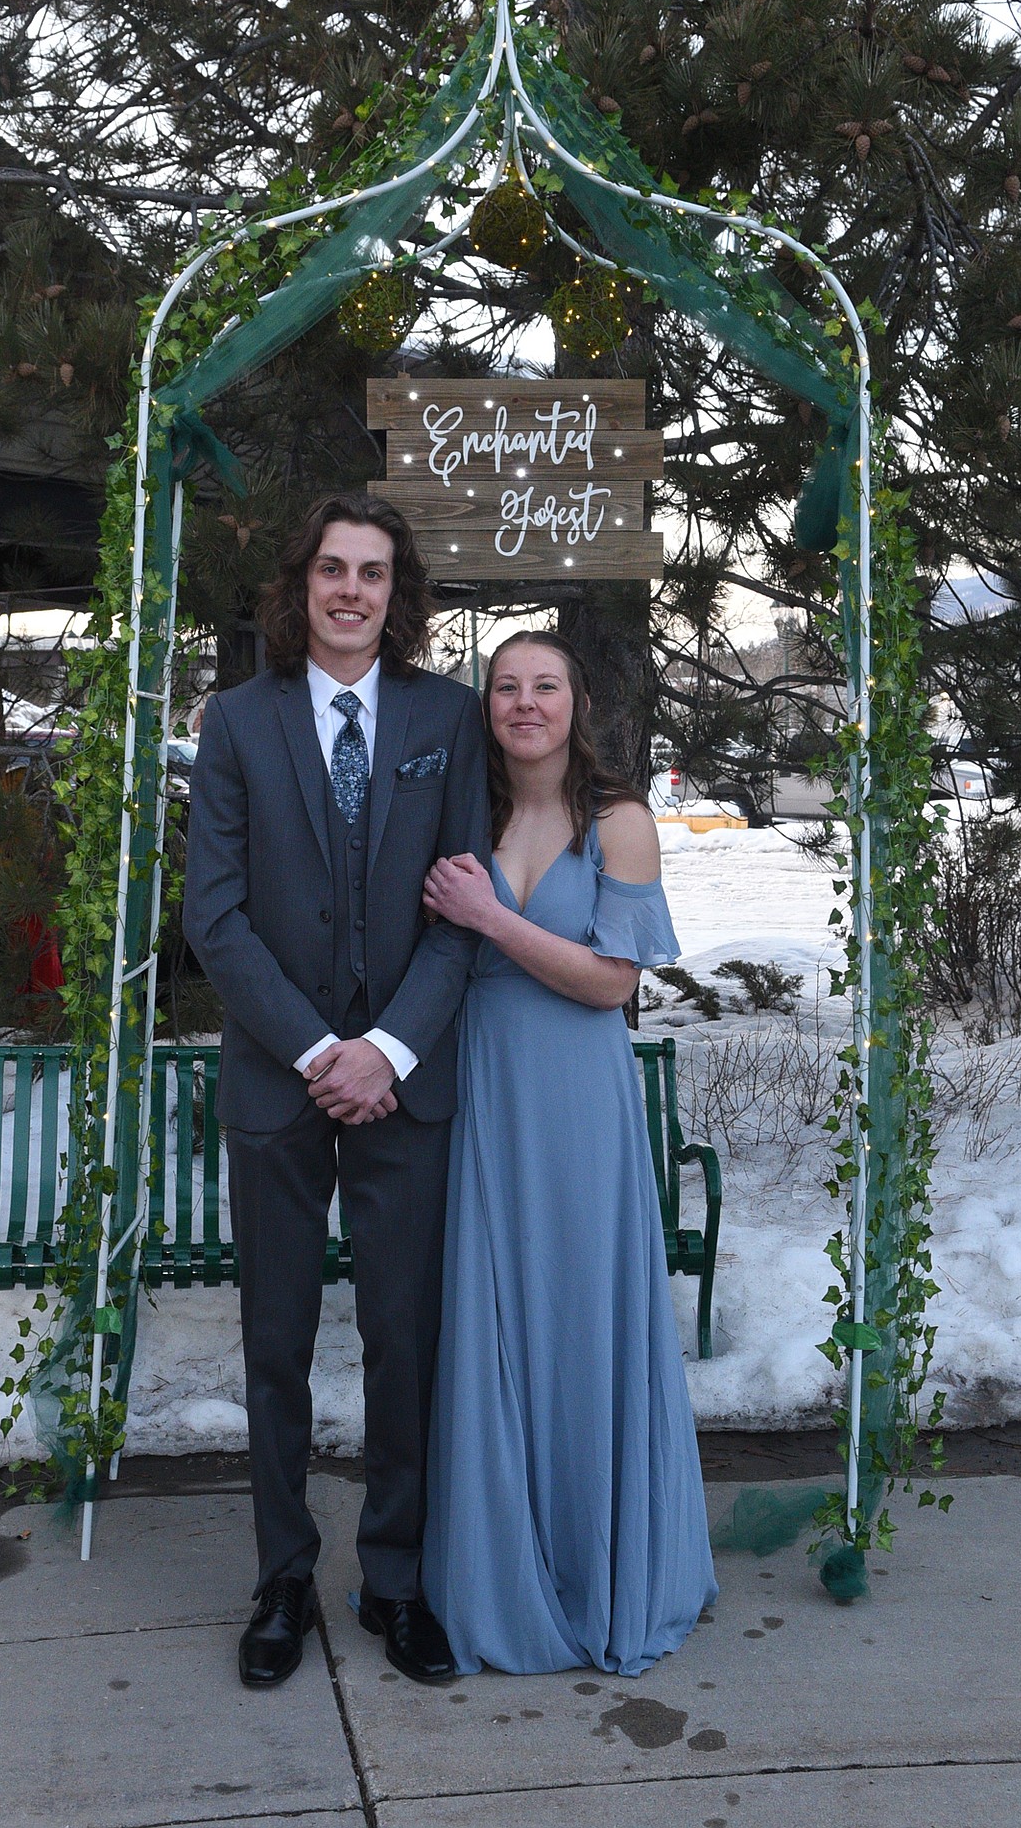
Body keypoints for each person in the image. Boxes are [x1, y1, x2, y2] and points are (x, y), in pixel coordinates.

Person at [184, 491, 490, 1690]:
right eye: (331, 569)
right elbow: (214, 913)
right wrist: (322, 1050)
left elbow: (468, 911)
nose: (351, 588)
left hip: (407, 1085)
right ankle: (280, 1576)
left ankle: (396, 1579)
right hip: (280, 1079)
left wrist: (391, 1050)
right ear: (301, 585)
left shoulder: (448, 718)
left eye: (372, 571)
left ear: (394, 590)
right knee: (277, 1340)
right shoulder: (238, 723)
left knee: (406, 1337)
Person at [420, 630, 716, 1677]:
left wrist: (492, 918)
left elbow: (611, 982)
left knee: (584, 1320)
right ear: (485, 704)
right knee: (500, 1320)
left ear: (576, 701)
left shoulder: (620, 821)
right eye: (506, 686)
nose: (525, 702)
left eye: (545, 684)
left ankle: (602, 1569)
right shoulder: (470, 811)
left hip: (578, 1101)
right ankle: (508, 1573)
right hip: (487, 1091)